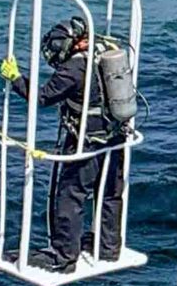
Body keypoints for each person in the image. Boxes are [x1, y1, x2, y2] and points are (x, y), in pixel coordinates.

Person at [9, 14, 136, 269]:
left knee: (70, 195)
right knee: (109, 193)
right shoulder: (106, 51)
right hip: (115, 137)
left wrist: (16, 79)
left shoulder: (73, 68)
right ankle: (108, 247)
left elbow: (43, 97)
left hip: (86, 142)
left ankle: (65, 256)